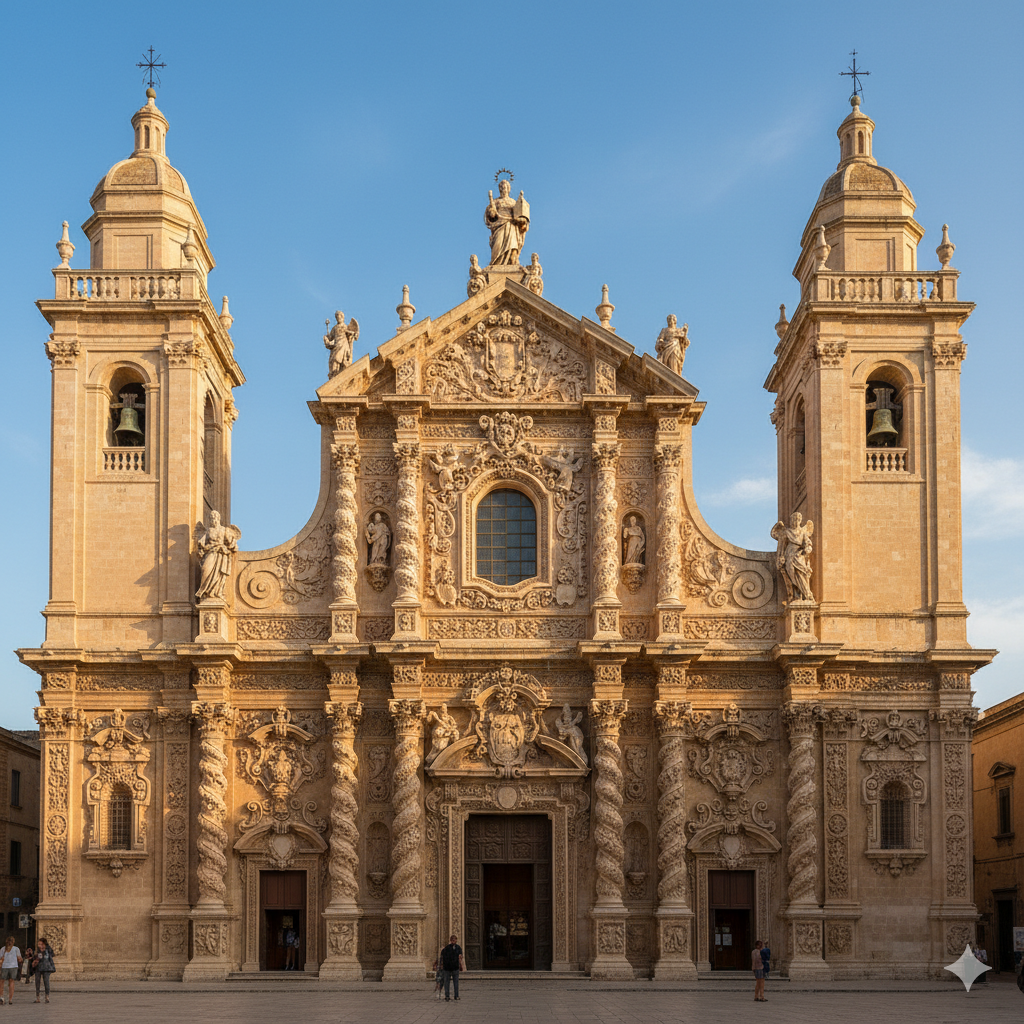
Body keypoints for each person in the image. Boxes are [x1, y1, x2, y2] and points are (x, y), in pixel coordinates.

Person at [440, 933, 466, 1002]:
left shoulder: (457, 948)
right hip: (448, 968)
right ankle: (448, 996)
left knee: (455, 983)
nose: (453, 941)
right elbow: (442, 956)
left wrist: (461, 966)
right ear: (451, 940)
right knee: (448, 983)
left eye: (454, 940)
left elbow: (460, 957)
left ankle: (455, 995)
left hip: (454, 968)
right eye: (452, 940)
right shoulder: (448, 948)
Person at [30, 939, 55, 1004]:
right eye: (39, 944)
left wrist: (46, 948)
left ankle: (47, 997)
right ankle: (38, 997)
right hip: (38, 968)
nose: (40, 946)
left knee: (46, 982)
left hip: (46, 968)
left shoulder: (48, 950)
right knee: (37, 982)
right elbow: (33, 958)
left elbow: (52, 954)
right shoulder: (37, 951)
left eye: (41, 944)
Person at [0, 937, 22, 1005]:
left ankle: (1, 997)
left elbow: (1, 959)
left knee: (2, 982)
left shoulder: (3, 949)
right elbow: (19, 959)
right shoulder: (16, 949)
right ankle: (10, 999)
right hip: (13, 966)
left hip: (4, 967)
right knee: (11, 982)